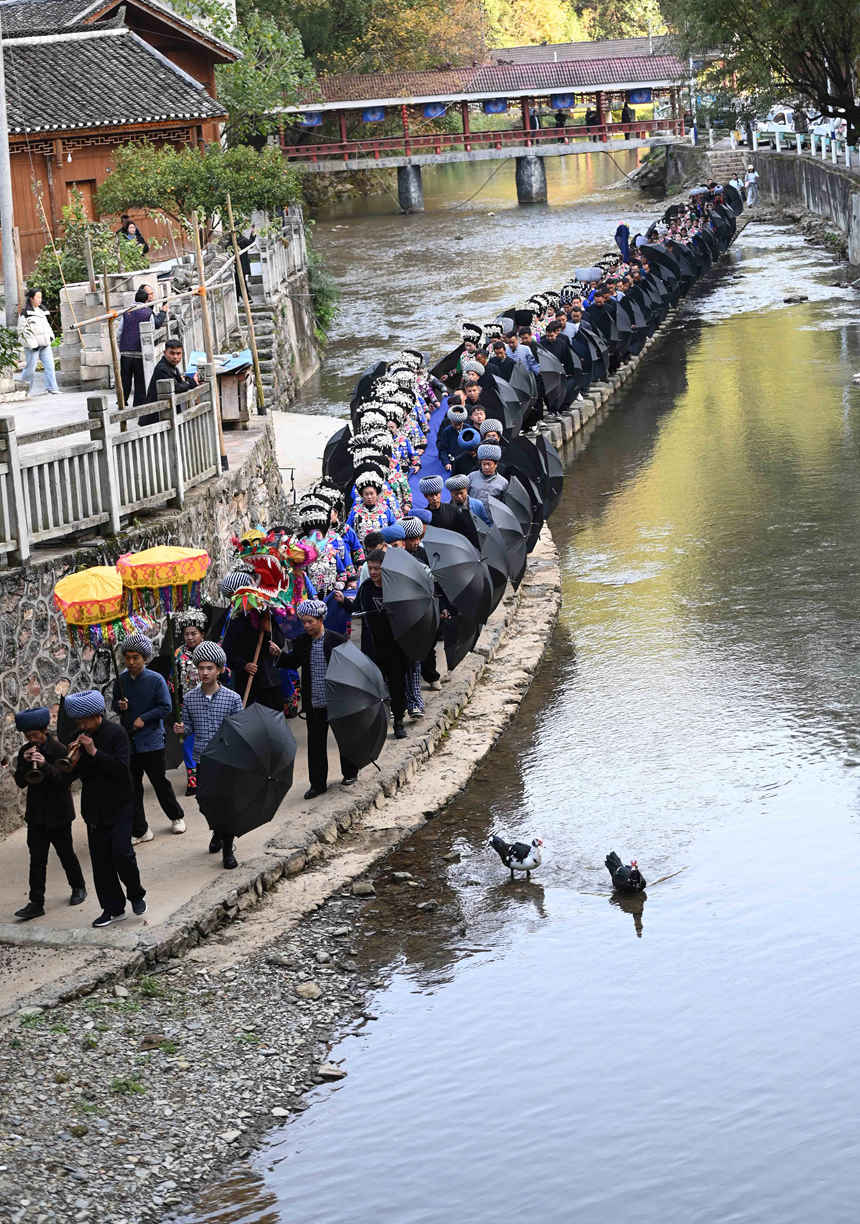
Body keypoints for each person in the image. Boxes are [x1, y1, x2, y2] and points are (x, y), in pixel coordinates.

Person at [65, 689, 147, 929]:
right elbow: (71, 776)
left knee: (122, 853)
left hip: (120, 803)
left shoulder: (117, 734)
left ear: (97, 715)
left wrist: (94, 752)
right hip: (94, 808)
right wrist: (73, 762)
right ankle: (113, 908)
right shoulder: (78, 735)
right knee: (101, 862)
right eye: (78, 722)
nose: (82, 725)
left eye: (85, 720)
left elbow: (122, 771)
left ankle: (136, 894)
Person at [270, 599, 358, 798]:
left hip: (337, 701)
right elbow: (292, 662)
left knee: (344, 738)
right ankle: (317, 784)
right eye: (304, 622)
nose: (307, 626)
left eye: (310, 622)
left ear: (320, 620)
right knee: (315, 744)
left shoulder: (338, 641)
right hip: (314, 701)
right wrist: (279, 655)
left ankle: (350, 773)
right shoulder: (302, 642)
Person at [12, 707, 86, 920]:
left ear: (45, 731)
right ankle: (36, 903)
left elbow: (64, 781)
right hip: (36, 814)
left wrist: (44, 765)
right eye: (28, 736)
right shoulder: (26, 751)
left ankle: (78, 887)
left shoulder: (60, 749)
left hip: (59, 813)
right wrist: (25, 762)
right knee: (37, 859)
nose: (32, 740)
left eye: (35, 735)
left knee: (66, 854)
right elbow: (20, 782)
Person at [174, 642, 243, 870]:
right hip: (202, 759)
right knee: (206, 802)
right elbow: (190, 728)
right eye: (201, 668)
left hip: (226, 759)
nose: (204, 672)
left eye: (209, 668)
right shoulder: (191, 698)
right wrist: (182, 730)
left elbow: (239, 730)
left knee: (227, 802)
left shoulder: (232, 698)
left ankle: (228, 849)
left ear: (220, 670)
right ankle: (217, 829)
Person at [112, 632, 186, 844]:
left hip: (151, 741)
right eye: (128, 657)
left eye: (136, 657)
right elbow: (114, 705)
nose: (131, 662)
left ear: (145, 658)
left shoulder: (156, 680)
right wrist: (120, 706)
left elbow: (165, 707)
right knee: (132, 787)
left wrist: (144, 719)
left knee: (159, 782)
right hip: (129, 742)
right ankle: (141, 829)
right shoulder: (121, 681)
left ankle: (176, 816)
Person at [348, 549, 409, 739]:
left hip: (396, 646)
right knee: (373, 687)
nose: (373, 572)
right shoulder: (366, 588)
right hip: (373, 645)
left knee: (398, 684)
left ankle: (398, 721)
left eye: (377, 568)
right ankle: (377, 725)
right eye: (371, 568)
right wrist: (344, 603)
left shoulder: (396, 587)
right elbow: (357, 610)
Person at [172, 609, 207, 795]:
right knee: (188, 742)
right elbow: (174, 679)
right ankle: (192, 781)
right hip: (186, 704)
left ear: (202, 634)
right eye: (186, 634)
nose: (190, 637)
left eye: (194, 633)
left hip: (208, 701)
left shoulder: (210, 649)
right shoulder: (178, 653)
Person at [118, 284, 168, 406]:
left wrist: (122, 346)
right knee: (140, 381)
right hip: (139, 352)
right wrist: (163, 312)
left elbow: (119, 332)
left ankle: (122, 401)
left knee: (125, 380)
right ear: (146, 299)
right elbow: (154, 326)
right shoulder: (147, 313)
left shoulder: (127, 311)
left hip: (125, 352)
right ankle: (138, 405)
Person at [419, 474, 481, 549]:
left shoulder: (453, 510)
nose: (435, 498)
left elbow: (467, 532)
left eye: (436, 494)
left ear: (440, 493)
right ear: (426, 496)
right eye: (431, 496)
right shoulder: (424, 516)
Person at [17, 288, 58, 395]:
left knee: (50, 366)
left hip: (45, 344)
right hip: (33, 347)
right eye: (38, 297)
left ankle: (52, 388)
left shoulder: (41, 310)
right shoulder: (25, 313)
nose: (40, 299)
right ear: (31, 298)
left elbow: (47, 326)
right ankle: (23, 391)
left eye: (41, 297)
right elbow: (22, 331)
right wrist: (33, 345)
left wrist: (50, 337)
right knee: (30, 370)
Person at [143, 338, 199, 414]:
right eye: (172, 353)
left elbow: (181, 383)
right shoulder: (162, 368)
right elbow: (176, 387)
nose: (175, 357)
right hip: (156, 416)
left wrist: (187, 381)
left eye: (178, 353)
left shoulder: (172, 367)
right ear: (165, 353)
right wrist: (191, 383)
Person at [468, 444, 509, 512]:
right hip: (473, 517)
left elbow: (504, 504)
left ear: (496, 465)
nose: (486, 467)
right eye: (484, 464)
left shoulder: (503, 483)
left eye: (489, 464)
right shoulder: (471, 477)